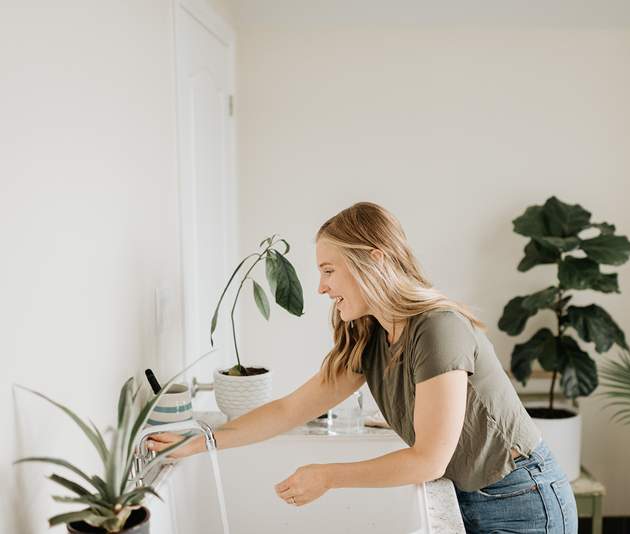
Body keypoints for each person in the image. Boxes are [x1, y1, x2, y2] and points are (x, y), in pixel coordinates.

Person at [147, 201, 578, 533]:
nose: (321, 287)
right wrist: (199, 442)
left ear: (373, 260)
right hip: (473, 493)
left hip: (523, 498)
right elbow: (288, 410)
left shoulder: (438, 329)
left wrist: (328, 476)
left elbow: (429, 459)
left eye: (329, 270)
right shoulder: (371, 339)